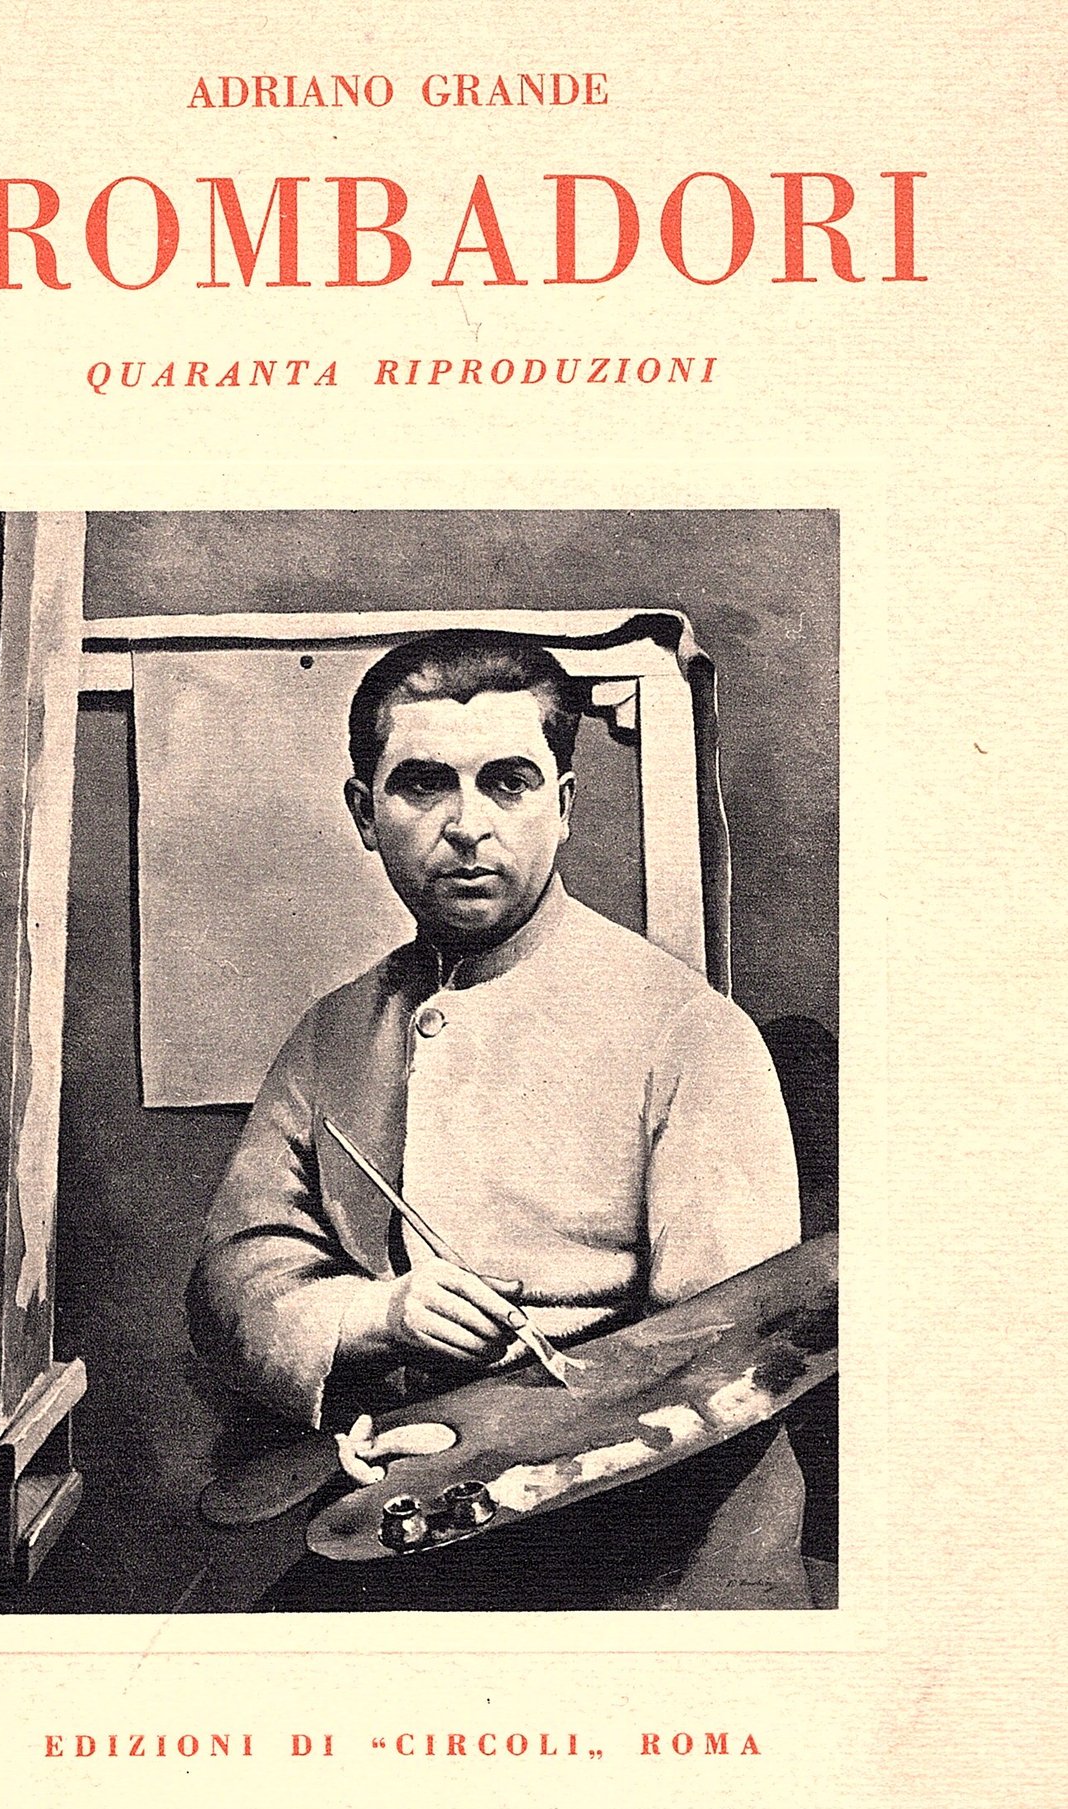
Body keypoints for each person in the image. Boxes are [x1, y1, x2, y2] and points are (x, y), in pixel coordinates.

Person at [188, 633, 809, 1608]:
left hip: (651, 1550)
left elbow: (724, 1365)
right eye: (422, 785)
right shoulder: (332, 1032)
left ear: (563, 806)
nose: (467, 826)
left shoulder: (688, 1030)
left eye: (508, 783)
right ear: (364, 813)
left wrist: (479, 1436)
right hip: (402, 1517)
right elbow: (234, 1276)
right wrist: (375, 1318)